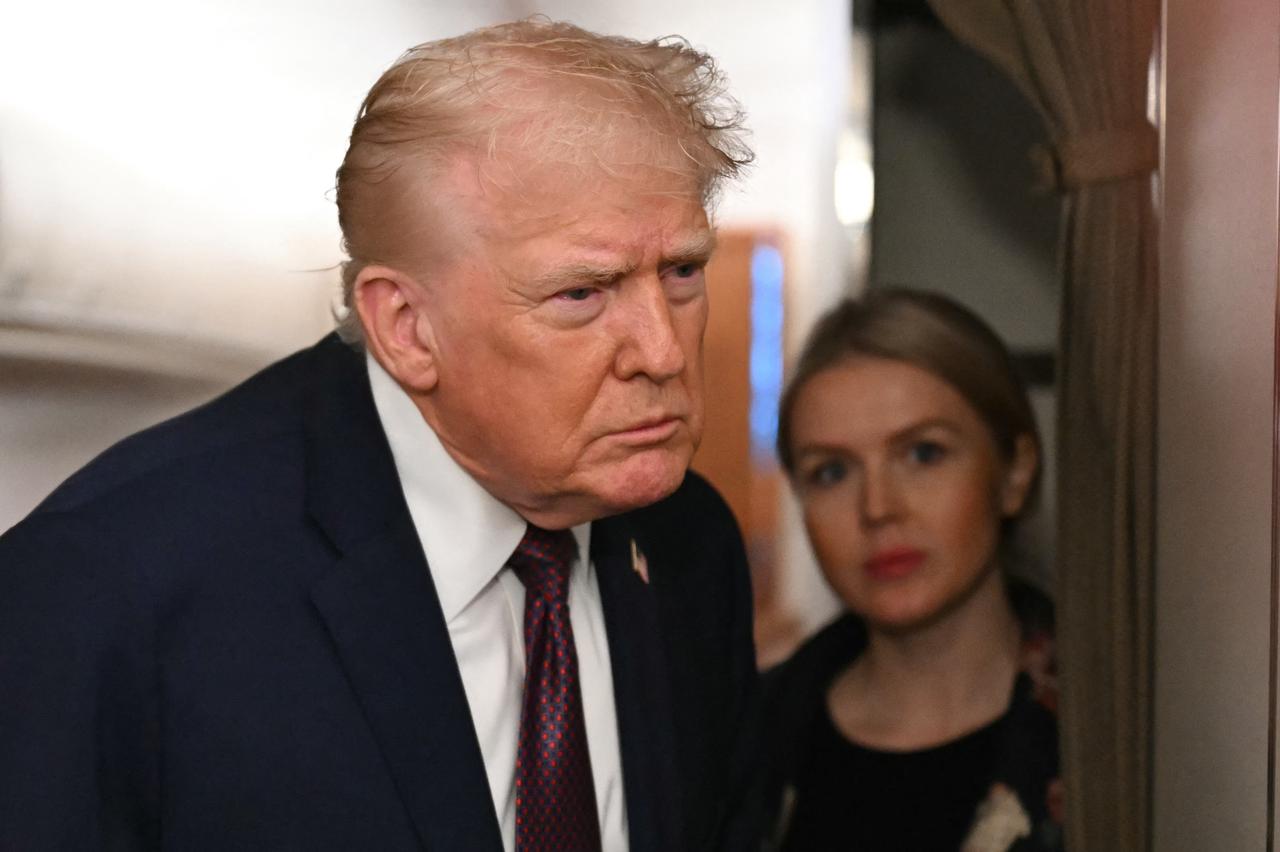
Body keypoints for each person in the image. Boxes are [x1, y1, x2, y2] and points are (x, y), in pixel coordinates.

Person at [0, 20, 759, 852]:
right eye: (582, 293)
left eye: (683, 271)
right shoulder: (110, 590)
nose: (662, 351)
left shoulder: (691, 544)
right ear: (406, 327)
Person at [759, 290, 1063, 852]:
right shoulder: (739, 742)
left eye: (924, 453)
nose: (878, 507)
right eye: (832, 472)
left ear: (1014, 473)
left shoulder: (1110, 740)